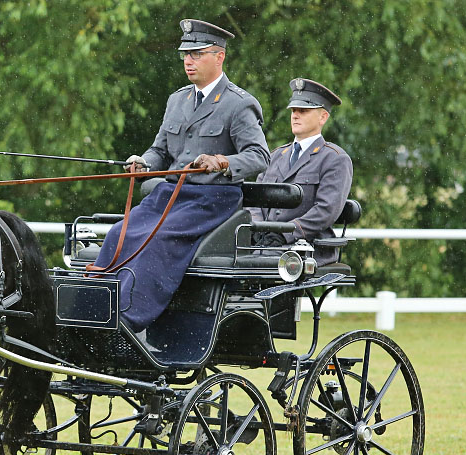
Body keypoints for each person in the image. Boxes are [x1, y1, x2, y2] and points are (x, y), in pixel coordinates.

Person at [93, 19, 269, 335]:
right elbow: (159, 150)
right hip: (170, 194)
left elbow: (259, 157)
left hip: (212, 200)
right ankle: (96, 309)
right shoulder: (177, 100)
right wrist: (143, 162)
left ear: (219, 57)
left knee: (159, 239)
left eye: (197, 53)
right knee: (120, 233)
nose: (188, 60)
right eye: (185, 54)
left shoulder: (239, 104)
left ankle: (128, 319)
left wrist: (222, 161)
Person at [248, 78, 353, 265]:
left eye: (303, 111)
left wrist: (285, 232)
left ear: (323, 117)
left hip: (307, 247)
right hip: (265, 245)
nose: (295, 115)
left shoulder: (334, 159)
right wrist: (257, 227)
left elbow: (326, 210)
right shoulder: (276, 156)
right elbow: (254, 199)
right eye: (293, 111)